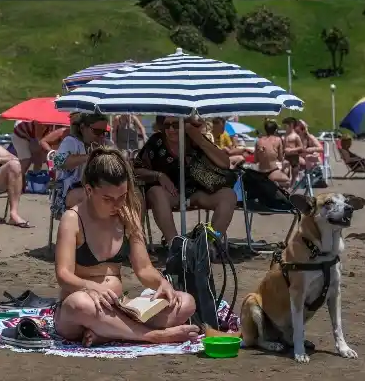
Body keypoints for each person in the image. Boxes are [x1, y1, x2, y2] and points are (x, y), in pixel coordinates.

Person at [53, 146, 200, 346]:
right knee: (81, 305)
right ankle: (151, 336)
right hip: (80, 309)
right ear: (89, 190)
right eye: (108, 199)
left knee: (185, 302)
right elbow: (63, 275)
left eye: (122, 196)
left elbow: (144, 269)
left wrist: (161, 283)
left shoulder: (127, 216)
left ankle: (109, 332)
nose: (117, 204)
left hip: (119, 306)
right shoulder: (72, 219)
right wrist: (92, 287)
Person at [135, 116, 237, 243]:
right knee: (156, 192)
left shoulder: (194, 140)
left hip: (196, 192)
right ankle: (175, 245)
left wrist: (199, 138)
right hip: (169, 194)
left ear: (185, 125)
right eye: (167, 126)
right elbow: (136, 169)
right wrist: (158, 175)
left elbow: (224, 163)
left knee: (228, 195)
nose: (171, 129)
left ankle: (210, 244)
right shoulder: (157, 141)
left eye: (176, 125)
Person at [53, 113, 111, 209]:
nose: (101, 136)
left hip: (95, 189)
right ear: (83, 128)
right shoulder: (71, 141)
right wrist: (90, 156)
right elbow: (58, 162)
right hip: (68, 193)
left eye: (104, 132)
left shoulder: (105, 143)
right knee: (99, 197)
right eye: (96, 131)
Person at [254, 119, 291, 188]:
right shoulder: (278, 139)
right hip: (272, 171)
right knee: (287, 182)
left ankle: (271, 185)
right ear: (275, 130)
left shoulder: (258, 141)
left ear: (265, 129)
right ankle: (274, 184)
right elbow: (280, 158)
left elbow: (256, 160)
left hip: (261, 171)